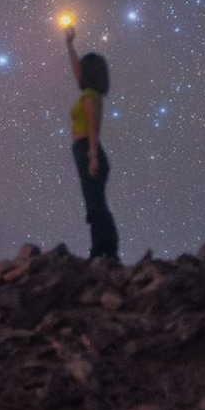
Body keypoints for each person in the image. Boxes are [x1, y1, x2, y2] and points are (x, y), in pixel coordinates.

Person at [63, 22, 119, 262]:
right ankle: (103, 249)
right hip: (84, 150)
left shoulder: (90, 97)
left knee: (95, 203)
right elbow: (77, 71)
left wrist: (93, 156)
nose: (79, 72)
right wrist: (70, 45)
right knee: (94, 201)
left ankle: (104, 251)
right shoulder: (88, 92)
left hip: (88, 150)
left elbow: (93, 127)